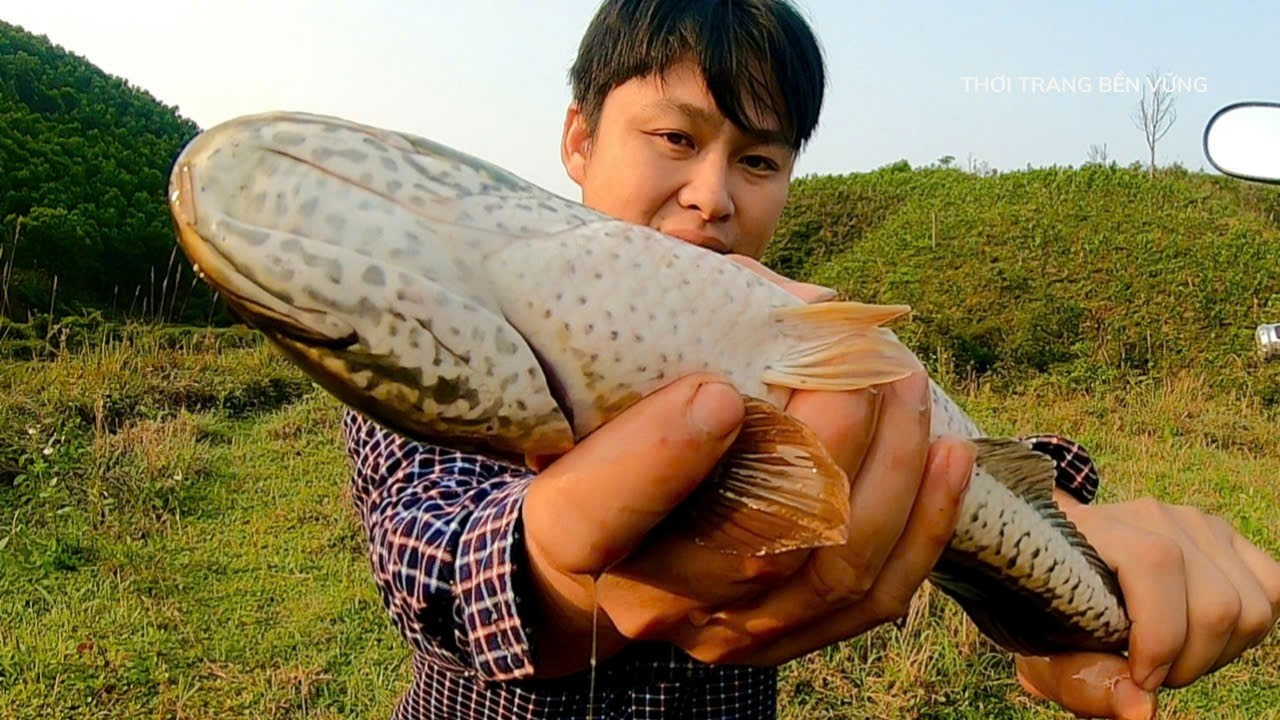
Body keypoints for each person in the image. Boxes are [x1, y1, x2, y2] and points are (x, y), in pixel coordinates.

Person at [342, 1, 1280, 718]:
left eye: (758, 161)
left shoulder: (784, 326)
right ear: (579, 138)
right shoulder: (458, 330)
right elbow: (432, 554)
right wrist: (560, 570)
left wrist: (1064, 545)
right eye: (675, 138)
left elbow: (931, 440)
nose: (712, 196)